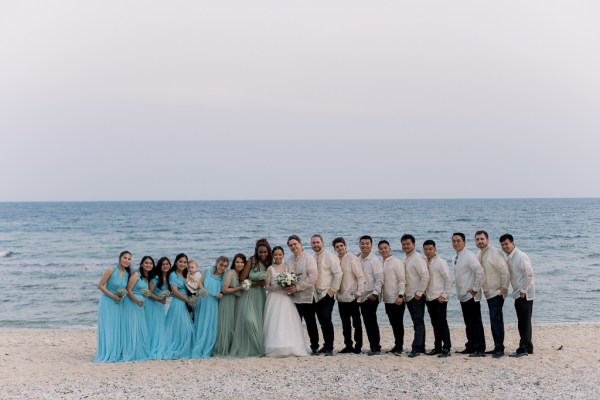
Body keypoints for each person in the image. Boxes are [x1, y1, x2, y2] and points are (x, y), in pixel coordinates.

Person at [263, 246, 309, 357]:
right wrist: (278, 289)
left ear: (283, 255)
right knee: (275, 322)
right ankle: (274, 346)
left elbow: (292, 281)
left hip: (286, 298)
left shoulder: (286, 267)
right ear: (272, 256)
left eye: (280, 254)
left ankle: (289, 345)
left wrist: (289, 287)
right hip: (274, 297)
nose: (278, 257)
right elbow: (266, 286)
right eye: (275, 255)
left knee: (287, 321)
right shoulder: (270, 269)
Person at [230, 238, 271, 357]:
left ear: (268, 251)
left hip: (260, 295)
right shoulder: (251, 261)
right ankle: (256, 347)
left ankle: (259, 347)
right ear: (256, 252)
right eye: (260, 252)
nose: (263, 254)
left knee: (259, 322)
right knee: (249, 320)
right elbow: (243, 279)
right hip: (249, 294)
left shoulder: (269, 263)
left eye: (265, 252)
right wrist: (258, 283)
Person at [475, 230, 510, 358]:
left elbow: (504, 271)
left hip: (497, 292)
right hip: (488, 293)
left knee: (496, 320)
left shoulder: (494, 252)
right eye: (477, 239)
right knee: (495, 320)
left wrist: (504, 288)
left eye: (482, 239)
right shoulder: (480, 254)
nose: (480, 241)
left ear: (487, 240)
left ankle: (499, 349)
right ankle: (497, 347)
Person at [499, 233, 535, 358]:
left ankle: (523, 349)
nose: (505, 247)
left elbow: (529, 274)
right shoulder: (510, 257)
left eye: (507, 244)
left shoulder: (520, 256)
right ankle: (528, 347)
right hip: (518, 293)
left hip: (524, 293)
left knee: (523, 322)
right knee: (524, 321)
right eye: (502, 245)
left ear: (513, 243)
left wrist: (523, 291)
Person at [452, 232, 486, 357]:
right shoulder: (455, 257)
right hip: (463, 296)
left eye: (458, 241)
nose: (456, 243)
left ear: (464, 242)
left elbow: (480, 272)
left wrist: (475, 289)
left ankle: (479, 348)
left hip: (472, 296)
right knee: (468, 323)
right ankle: (471, 346)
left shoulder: (469, 255)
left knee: (476, 322)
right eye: (454, 241)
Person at [94, 251, 131, 362]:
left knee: (117, 327)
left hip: (120, 303)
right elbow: (100, 286)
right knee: (108, 327)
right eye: (125, 258)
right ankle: (107, 352)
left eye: (129, 259)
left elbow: (127, 290)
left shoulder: (127, 275)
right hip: (107, 302)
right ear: (119, 258)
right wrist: (113, 296)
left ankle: (116, 352)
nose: (127, 260)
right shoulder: (111, 270)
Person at [285, 235, 319, 355]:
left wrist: (297, 287)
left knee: (311, 323)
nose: (293, 247)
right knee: (295, 323)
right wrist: (287, 286)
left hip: (307, 296)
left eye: (295, 244)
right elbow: (285, 276)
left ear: (300, 243)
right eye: (291, 245)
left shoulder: (309, 258)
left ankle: (315, 347)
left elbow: (313, 277)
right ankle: (296, 346)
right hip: (293, 298)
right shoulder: (288, 260)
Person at [311, 234, 342, 356]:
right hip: (316, 294)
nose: (316, 245)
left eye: (317, 242)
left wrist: (332, 291)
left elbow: (338, 274)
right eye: (313, 243)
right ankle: (325, 346)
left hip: (327, 293)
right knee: (321, 320)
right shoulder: (313, 257)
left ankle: (330, 347)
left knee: (326, 319)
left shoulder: (330, 256)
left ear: (322, 242)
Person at [333, 237, 365, 354]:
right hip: (340, 297)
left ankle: (358, 346)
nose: (340, 248)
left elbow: (361, 277)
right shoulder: (335, 259)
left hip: (352, 297)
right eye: (337, 246)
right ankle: (348, 346)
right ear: (334, 248)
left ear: (345, 246)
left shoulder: (352, 259)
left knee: (356, 323)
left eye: (341, 245)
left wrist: (359, 293)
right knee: (345, 324)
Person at [191, 256, 226, 358]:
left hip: (214, 302)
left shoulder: (224, 276)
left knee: (210, 324)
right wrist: (203, 290)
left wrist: (220, 294)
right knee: (200, 322)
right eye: (221, 264)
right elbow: (200, 283)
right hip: (203, 299)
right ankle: (198, 344)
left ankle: (208, 347)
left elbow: (224, 289)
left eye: (225, 266)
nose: (222, 267)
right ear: (216, 262)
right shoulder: (207, 270)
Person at [401, 234, 429, 358]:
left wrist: (419, 293)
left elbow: (425, 276)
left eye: (408, 243)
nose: (406, 246)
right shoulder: (406, 258)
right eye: (403, 244)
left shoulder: (417, 258)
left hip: (415, 296)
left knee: (418, 322)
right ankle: (421, 346)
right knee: (418, 321)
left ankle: (416, 348)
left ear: (413, 244)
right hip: (409, 295)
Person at [423, 240, 452, 358]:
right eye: (426, 249)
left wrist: (444, 295)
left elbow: (448, 279)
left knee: (442, 323)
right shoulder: (425, 262)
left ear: (435, 249)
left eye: (430, 249)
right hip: (429, 298)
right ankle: (438, 347)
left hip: (439, 298)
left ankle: (447, 348)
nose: (428, 251)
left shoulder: (441, 262)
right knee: (435, 324)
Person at [213, 253, 246, 356]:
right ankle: (222, 348)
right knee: (225, 325)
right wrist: (240, 288)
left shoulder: (240, 275)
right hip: (227, 301)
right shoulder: (230, 273)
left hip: (235, 302)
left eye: (241, 262)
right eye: (237, 262)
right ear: (234, 263)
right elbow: (224, 289)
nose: (239, 264)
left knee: (232, 325)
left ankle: (230, 347)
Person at [121, 255, 153, 362]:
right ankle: (130, 350)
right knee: (132, 326)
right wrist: (136, 301)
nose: (148, 265)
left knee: (139, 327)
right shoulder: (136, 275)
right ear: (141, 264)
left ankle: (138, 349)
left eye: (150, 263)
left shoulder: (147, 278)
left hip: (140, 305)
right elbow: (128, 290)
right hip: (132, 303)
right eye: (146, 263)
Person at [378, 240, 406, 356]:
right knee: (393, 323)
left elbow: (402, 280)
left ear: (389, 248)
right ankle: (396, 345)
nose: (384, 250)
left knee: (398, 323)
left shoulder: (396, 262)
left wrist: (400, 295)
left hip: (397, 299)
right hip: (387, 299)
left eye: (385, 248)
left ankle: (399, 347)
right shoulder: (381, 262)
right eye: (381, 248)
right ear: (378, 251)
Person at [164, 253, 193, 359]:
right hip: (178, 303)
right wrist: (188, 300)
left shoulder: (186, 274)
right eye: (180, 261)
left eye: (185, 262)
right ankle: (179, 347)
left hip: (186, 302)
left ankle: (186, 346)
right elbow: (175, 292)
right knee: (180, 326)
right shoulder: (173, 275)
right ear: (176, 262)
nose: (182, 264)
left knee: (185, 326)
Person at [357, 235, 383, 356]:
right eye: (362, 243)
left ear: (371, 245)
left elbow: (379, 278)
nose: (364, 246)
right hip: (361, 296)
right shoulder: (358, 258)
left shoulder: (375, 260)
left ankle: (376, 347)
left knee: (370, 320)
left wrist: (375, 293)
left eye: (367, 243)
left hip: (371, 295)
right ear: (359, 245)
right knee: (367, 321)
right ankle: (373, 346)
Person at [145, 256, 170, 360]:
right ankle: (149, 348)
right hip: (151, 304)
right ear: (159, 266)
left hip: (160, 305)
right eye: (163, 264)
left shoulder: (169, 278)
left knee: (159, 327)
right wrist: (160, 299)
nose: (165, 266)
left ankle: (157, 345)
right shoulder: (154, 278)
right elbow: (148, 293)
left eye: (167, 264)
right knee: (151, 326)